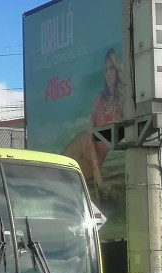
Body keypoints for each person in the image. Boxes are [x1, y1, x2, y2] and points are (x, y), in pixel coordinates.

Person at [63, 48, 123, 189]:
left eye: (112, 68)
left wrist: (96, 166)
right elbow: (91, 132)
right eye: (106, 69)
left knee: (68, 180)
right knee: (56, 168)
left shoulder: (123, 100)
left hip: (97, 156)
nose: (109, 73)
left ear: (117, 70)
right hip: (83, 142)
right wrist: (96, 169)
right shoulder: (99, 97)